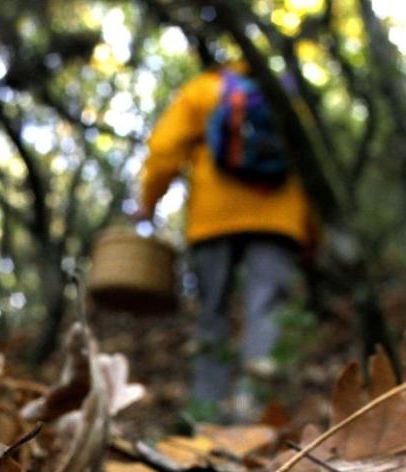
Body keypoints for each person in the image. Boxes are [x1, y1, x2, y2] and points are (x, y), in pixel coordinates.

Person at [136, 62, 318, 422]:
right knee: (267, 311)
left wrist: (148, 200)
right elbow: (310, 165)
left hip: (213, 219)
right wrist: (311, 231)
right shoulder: (285, 96)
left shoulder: (204, 88)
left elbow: (165, 146)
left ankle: (206, 414)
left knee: (212, 314)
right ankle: (256, 413)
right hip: (279, 219)